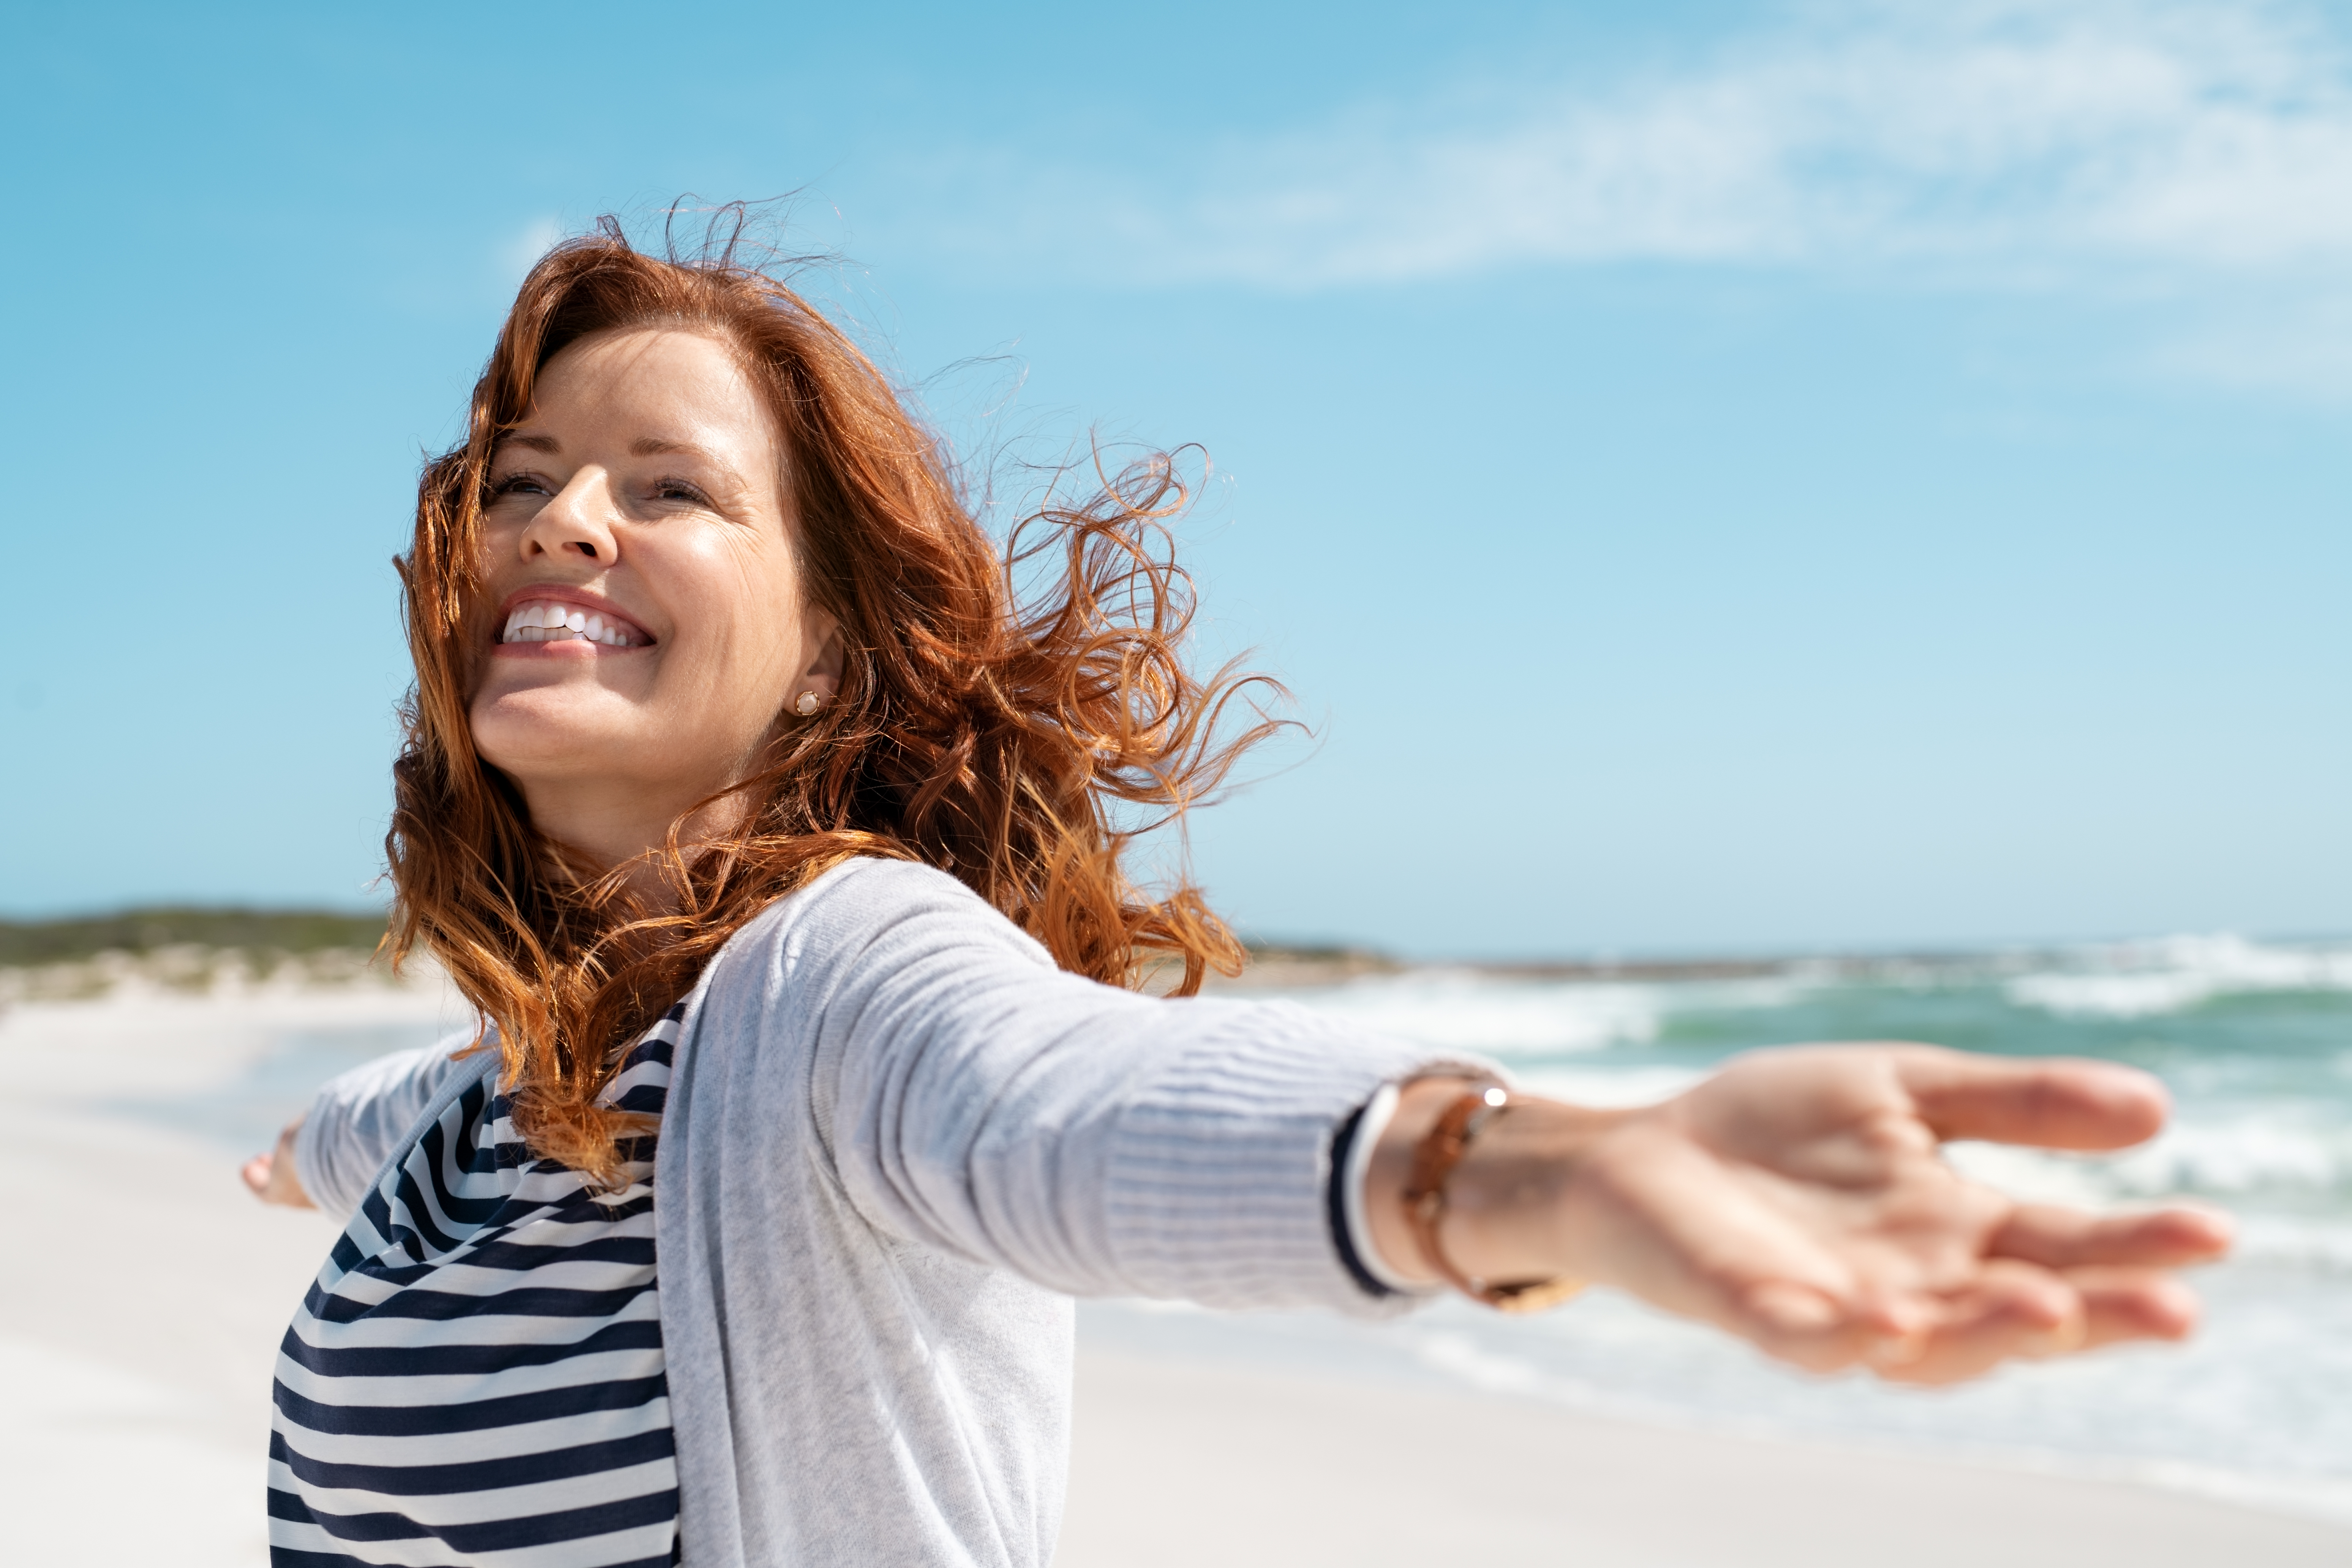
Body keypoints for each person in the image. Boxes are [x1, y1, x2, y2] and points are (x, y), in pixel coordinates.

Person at [242, 216, 2230, 1568]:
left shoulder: (839, 986)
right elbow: (382, 1120)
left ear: (835, 657)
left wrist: (1517, 1174)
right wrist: (296, 1151)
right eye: (519, 479)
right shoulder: (484, 1096)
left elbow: (1069, 1107)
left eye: (665, 485)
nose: (560, 516)